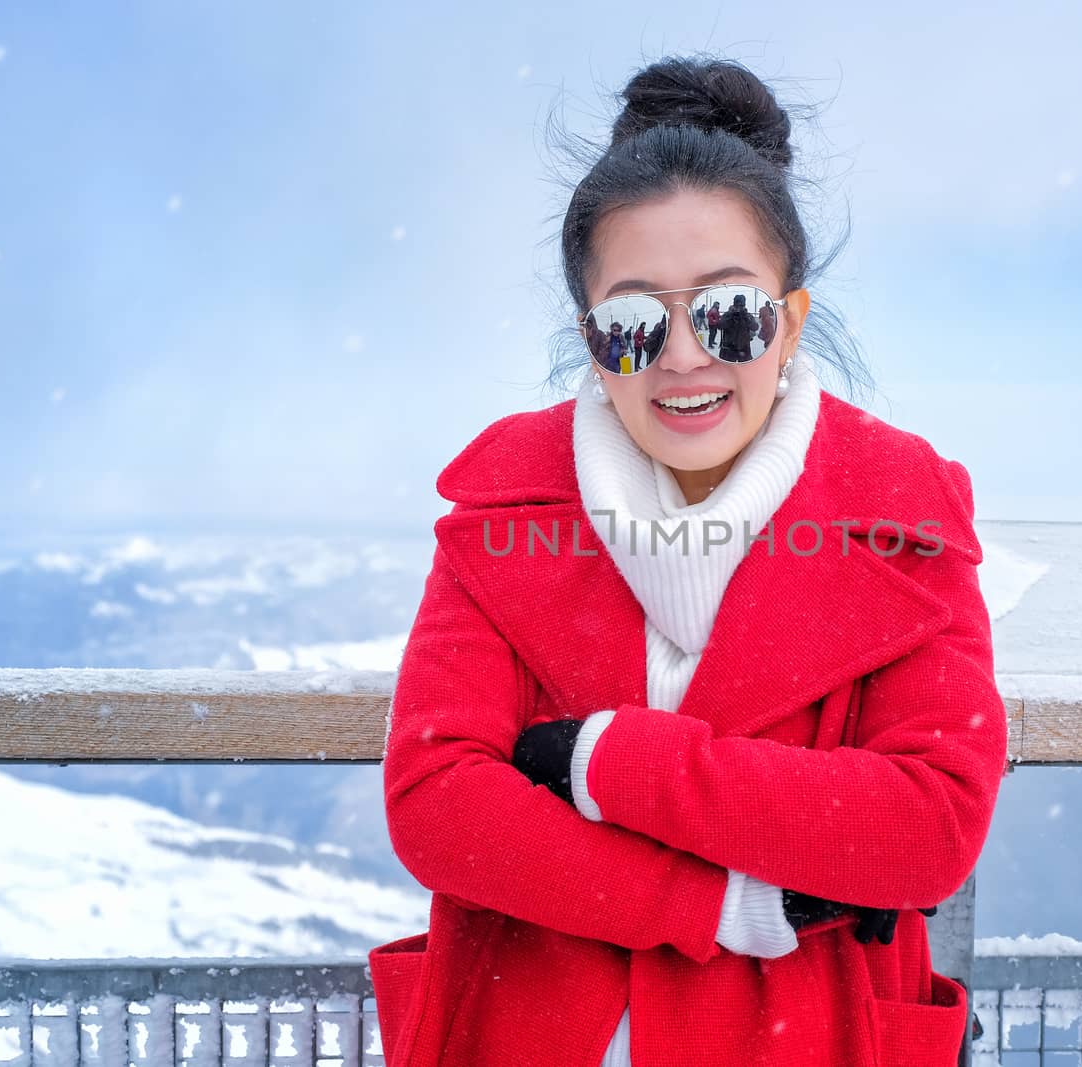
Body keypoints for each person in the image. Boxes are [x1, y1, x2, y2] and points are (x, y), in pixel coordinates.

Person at [373, 54, 1008, 1067]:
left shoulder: (900, 506)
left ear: (790, 318)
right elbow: (438, 801)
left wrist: (603, 762)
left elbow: (926, 826)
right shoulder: (508, 500)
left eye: (729, 312)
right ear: (590, 338)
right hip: (531, 1030)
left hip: (809, 1035)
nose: (681, 356)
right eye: (632, 322)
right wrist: (727, 901)